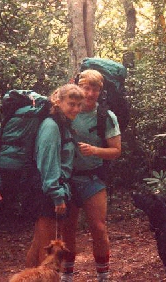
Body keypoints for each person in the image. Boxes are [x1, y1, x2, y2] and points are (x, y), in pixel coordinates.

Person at [61, 70, 122, 282]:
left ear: (100, 91)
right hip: (68, 179)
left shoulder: (106, 116)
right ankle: (67, 275)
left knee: (98, 227)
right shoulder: (67, 111)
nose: (89, 93)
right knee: (67, 229)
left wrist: (95, 150)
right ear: (78, 86)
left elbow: (116, 151)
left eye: (94, 89)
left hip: (93, 179)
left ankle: (103, 276)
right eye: (86, 87)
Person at [25, 84, 85, 267]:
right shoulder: (51, 126)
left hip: (50, 189)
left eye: (78, 104)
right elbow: (48, 163)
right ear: (58, 102)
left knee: (39, 245)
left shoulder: (62, 125)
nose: (75, 108)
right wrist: (57, 197)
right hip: (47, 192)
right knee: (47, 250)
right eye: (71, 103)